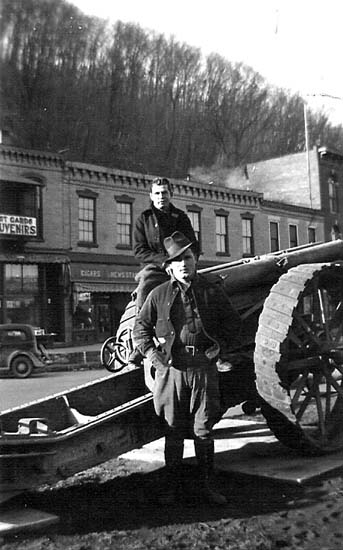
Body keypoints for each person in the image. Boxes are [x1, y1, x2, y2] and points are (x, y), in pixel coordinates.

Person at [132, 231, 242, 505]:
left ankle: (207, 489)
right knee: (173, 430)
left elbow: (233, 324)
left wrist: (220, 348)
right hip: (172, 372)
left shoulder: (211, 291)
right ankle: (172, 490)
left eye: (188, 258)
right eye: (177, 260)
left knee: (204, 429)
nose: (184, 264)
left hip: (203, 370)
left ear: (196, 261)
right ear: (169, 267)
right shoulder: (159, 294)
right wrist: (156, 359)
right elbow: (140, 330)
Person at [129, 176, 198, 365]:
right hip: (157, 267)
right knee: (145, 288)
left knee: (203, 289)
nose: (161, 197)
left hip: (181, 264)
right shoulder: (144, 219)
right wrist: (164, 263)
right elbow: (139, 250)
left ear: (171, 194)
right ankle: (140, 344)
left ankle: (208, 342)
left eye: (165, 193)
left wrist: (188, 262)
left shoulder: (181, 217)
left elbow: (193, 244)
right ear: (151, 195)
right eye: (157, 193)